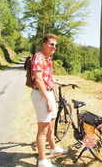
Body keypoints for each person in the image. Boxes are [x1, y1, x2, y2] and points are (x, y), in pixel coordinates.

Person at [30, 34, 68, 167]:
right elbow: (39, 79)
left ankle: (53, 147)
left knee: (51, 124)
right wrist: (48, 100)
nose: (54, 47)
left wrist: (57, 81)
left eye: (55, 45)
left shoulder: (48, 58)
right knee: (43, 129)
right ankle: (42, 160)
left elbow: (47, 77)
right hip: (41, 95)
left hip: (49, 93)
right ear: (44, 44)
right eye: (52, 44)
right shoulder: (38, 57)